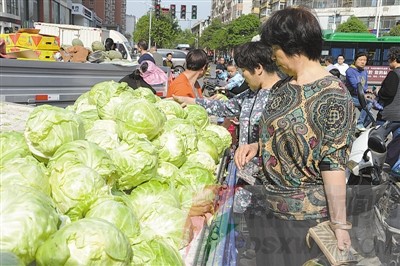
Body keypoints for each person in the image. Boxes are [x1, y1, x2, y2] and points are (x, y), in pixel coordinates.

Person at [235, 6, 355, 265]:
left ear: (292, 46)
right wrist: (259, 146)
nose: (273, 57)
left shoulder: (332, 94)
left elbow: (333, 164)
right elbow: (285, 135)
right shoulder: (281, 87)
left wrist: (340, 224)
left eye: (274, 49)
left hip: (304, 224)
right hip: (268, 212)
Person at [173, 41, 283, 146]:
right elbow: (225, 107)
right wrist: (190, 101)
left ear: (258, 68)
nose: (243, 76)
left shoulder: (282, 95)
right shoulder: (250, 94)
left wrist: (256, 147)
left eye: (244, 70)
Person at [370, 46, 400, 142]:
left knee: (376, 139)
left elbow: (389, 92)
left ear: (394, 59)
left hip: (389, 115)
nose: (388, 61)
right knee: (397, 145)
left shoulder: (394, 73)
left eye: (389, 58)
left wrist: (378, 92)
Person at [345, 51, 372, 131]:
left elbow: (365, 85)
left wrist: (367, 91)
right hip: (351, 97)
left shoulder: (364, 71)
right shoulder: (350, 70)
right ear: (355, 60)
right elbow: (355, 85)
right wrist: (364, 91)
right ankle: (359, 123)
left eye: (365, 60)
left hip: (360, 96)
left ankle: (358, 131)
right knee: (368, 103)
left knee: (370, 117)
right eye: (360, 60)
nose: (363, 62)